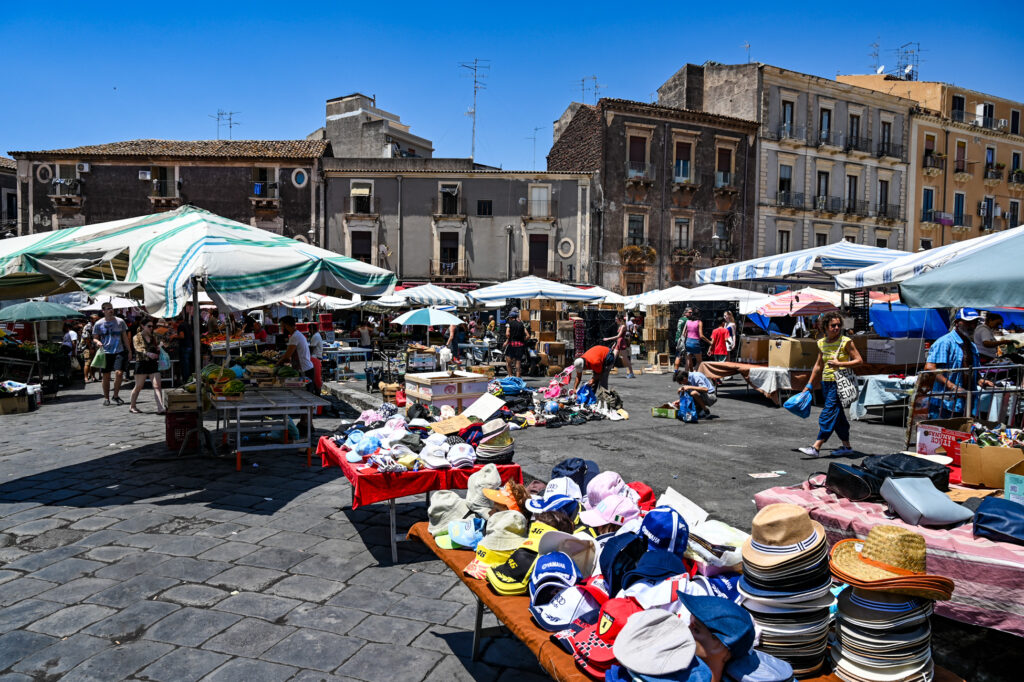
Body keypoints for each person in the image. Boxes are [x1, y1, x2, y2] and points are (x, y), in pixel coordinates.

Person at [797, 311, 863, 457]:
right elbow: (818, 365)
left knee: (828, 413)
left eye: (839, 325)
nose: (837, 328)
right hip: (826, 382)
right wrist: (809, 385)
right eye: (833, 325)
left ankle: (816, 446)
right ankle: (846, 447)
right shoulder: (821, 343)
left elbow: (859, 360)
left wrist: (840, 363)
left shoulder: (846, 341)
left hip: (840, 383)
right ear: (825, 326)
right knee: (838, 416)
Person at [924, 309, 994, 419]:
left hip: (966, 404)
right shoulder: (944, 342)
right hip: (944, 404)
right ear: (957, 323)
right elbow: (929, 368)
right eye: (968, 322)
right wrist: (952, 387)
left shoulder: (972, 346)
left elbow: (970, 370)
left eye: (974, 322)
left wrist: (980, 380)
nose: (972, 326)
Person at [278, 315, 316, 432]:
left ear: (286, 325)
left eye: (282, 325)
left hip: (305, 371)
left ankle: (308, 425)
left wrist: (277, 363)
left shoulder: (295, 337)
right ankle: (304, 423)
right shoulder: (297, 335)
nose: (281, 327)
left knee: (307, 399)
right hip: (305, 369)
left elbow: (287, 356)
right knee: (304, 399)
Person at [93, 302, 133, 406]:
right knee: (106, 376)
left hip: (118, 351)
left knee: (119, 373)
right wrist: (98, 342)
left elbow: (125, 337)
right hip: (105, 352)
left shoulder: (120, 322)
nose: (111, 310)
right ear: (103, 311)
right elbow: (95, 338)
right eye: (108, 308)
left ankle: (115, 395)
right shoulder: (98, 324)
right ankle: (106, 398)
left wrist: (129, 350)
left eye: (112, 308)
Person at [128, 316, 166, 414]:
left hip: (153, 363)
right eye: (149, 326)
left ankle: (160, 407)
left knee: (157, 386)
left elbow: (160, 345)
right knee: (139, 386)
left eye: (152, 326)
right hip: (142, 363)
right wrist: (148, 354)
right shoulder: (137, 337)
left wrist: (160, 346)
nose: (151, 328)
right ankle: (132, 406)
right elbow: (138, 348)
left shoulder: (154, 336)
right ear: (142, 326)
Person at [675, 307, 710, 372]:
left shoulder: (687, 321)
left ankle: (686, 375)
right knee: (699, 361)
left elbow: (684, 333)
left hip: (688, 342)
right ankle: (694, 372)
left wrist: (684, 342)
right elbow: (701, 335)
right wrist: (709, 342)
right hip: (695, 342)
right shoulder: (699, 322)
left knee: (687, 361)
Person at [603, 314, 635, 379]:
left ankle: (631, 373)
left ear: (619, 319)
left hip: (621, 343)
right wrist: (614, 344)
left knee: (625, 359)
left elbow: (618, 336)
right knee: (613, 357)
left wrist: (608, 338)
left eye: (616, 319)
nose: (615, 320)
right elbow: (618, 338)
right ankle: (606, 372)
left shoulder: (623, 326)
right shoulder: (620, 326)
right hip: (618, 342)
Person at [503, 308, 529, 377]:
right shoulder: (521, 324)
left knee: (508, 362)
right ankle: (517, 378)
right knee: (518, 362)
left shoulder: (509, 324)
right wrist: (522, 340)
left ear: (511, 318)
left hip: (512, 344)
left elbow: (507, 334)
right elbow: (528, 335)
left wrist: (508, 340)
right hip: (520, 345)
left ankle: (510, 376)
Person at [308, 326, 324, 393]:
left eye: (309, 330)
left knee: (316, 377)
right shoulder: (316, 335)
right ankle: (317, 391)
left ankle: (317, 392)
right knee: (316, 377)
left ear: (312, 329)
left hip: (315, 358)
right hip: (316, 357)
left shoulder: (315, 336)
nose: (309, 331)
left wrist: (307, 356)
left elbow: (312, 348)